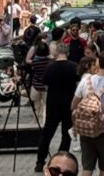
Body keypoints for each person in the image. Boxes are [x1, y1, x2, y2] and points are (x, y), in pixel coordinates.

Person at [36, 43, 81, 172]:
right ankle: (62, 161)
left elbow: (45, 84)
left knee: (47, 134)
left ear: (56, 53)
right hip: (69, 104)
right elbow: (78, 84)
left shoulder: (50, 67)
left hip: (53, 104)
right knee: (66, 134)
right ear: (67, 53)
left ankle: (40, 161)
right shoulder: (73, 66)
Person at [29, 41, 52, 121]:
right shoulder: (50, 62)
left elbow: (29, 62)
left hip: (36, 85)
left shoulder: (35, 62)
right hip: (46, 86)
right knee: (46, 104)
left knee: (36, 104)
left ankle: (36, 120)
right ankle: (45, 120)